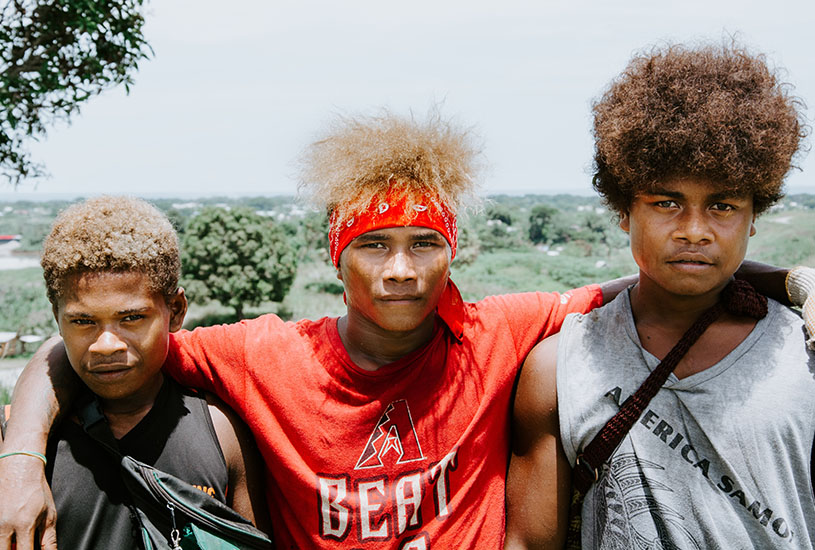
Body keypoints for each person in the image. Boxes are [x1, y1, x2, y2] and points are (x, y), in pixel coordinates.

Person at [0, 111, 804, 550]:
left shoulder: (495, 331)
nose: (399, 270)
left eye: (424, 244)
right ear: (335, 256)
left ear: (452, 251)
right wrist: (18, 462)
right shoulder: (263, 354)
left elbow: (661, 275)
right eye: (372, 246)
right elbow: (83, 352)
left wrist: (795, 281)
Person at [504, 42, 815, 549]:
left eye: (722, 205)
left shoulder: (805, 352)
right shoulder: (559, 369)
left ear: (754, 217)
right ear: (623, 210)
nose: (694, 230)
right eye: (666, 202)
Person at [0, 197, 270, 550]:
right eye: (83, 321)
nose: (106, 344)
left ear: (175, 310)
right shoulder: (20, 447)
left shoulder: (221, 433)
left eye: (131, 318)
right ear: (57, 317)